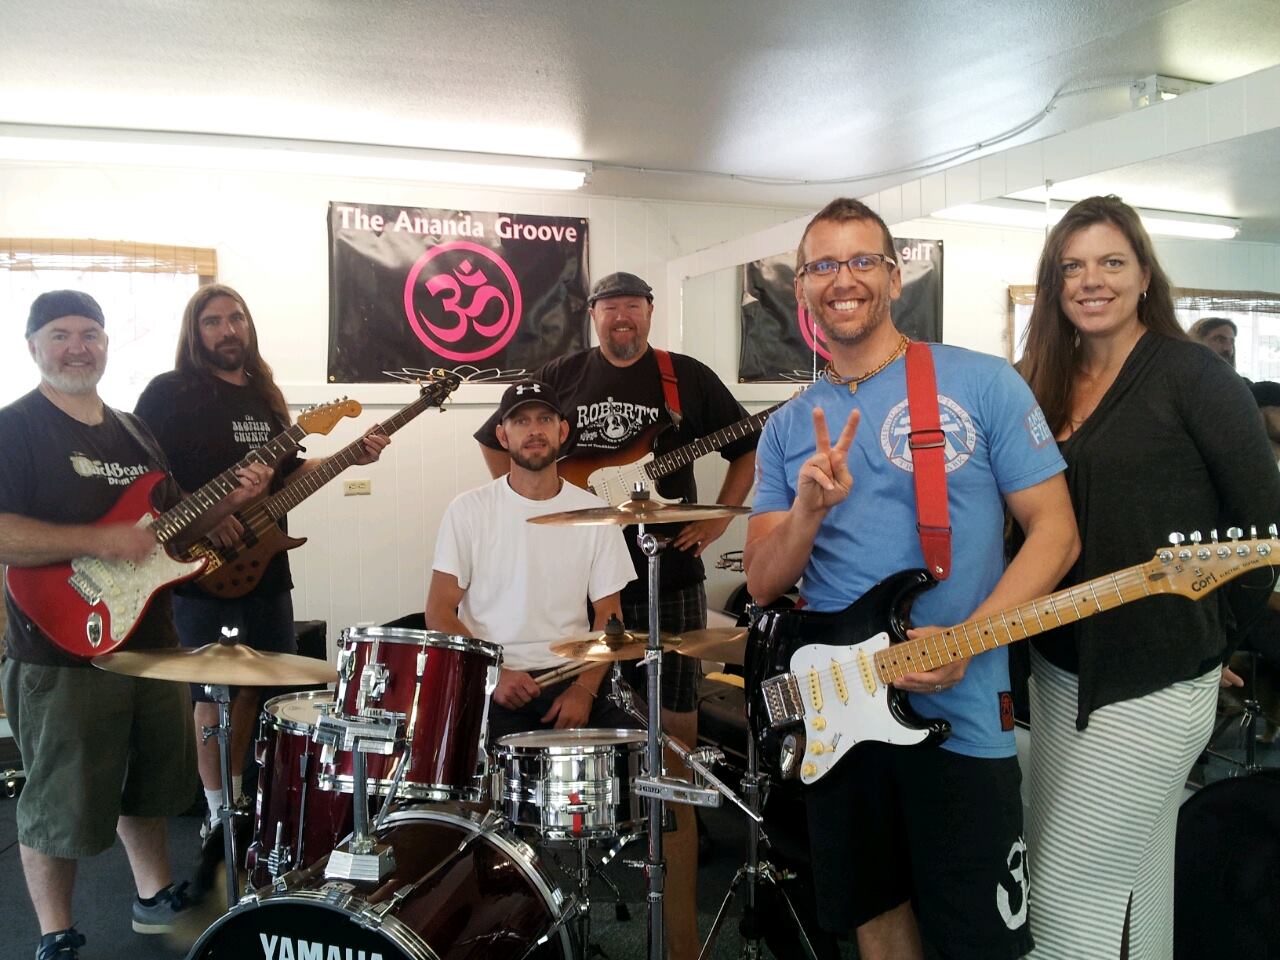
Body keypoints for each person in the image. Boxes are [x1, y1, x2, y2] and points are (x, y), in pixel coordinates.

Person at [744, 198, 1079, 960]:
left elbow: (1057, 535)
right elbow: (762, 583)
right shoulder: (790, 427)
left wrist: (969, 640)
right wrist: (806, 512)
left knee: (980, 942)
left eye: (862, 260)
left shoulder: (983, 383)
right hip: (840, 721)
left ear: (895, 278)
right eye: (823, 265)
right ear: (801, 289)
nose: (843, 279)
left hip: (964, 718)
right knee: (879, 926)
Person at [1018, 195, 1280, 959]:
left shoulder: (1193, 375)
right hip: (1057, 670)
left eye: (1111, 262)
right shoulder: (1044, 378)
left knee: (1063, 900)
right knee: (1136, 881)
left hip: (1152, 681)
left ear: (1143, 276)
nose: (1090, 281)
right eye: (1072, 266)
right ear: (1054, 283)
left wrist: (1206, 638)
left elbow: (1261, 530)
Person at [474, 271, 757, 960]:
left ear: (649, 313)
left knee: (674, 724)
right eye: (610, 308)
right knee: (580, 710)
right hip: (580, 571)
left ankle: (674, 838)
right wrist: (534, 503)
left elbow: (747, 446)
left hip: (668, 573)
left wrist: (719, 520)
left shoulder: (684, 377)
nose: (621, 318)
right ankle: (578, 846)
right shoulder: (562, 375)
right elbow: (495, 441)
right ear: (593, 315)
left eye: (633, 306)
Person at [0, 290, 273, 960]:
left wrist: (232, 500)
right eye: (60, 334)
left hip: (151, 638)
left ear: (105, 344)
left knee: (150, 783)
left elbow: (172, 523)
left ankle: (153, 896)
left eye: (90, 334)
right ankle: (56, 932)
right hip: (62, 645)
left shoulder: (133, 430)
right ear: (33, 346)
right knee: (59, 801)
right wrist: (97, 541)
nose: (78, 347)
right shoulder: (16, 427)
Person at [134, 283, 387, 840]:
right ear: (195, 332)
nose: (228, 330)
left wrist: (349, 457)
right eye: (213, 321)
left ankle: (242, 793)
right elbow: (148, 478)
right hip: (200, 567)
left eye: (237, 318)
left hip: (264, 563)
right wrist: (207, 515)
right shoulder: (169, 393)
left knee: (257, 684)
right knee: (212, 689)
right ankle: (215, 810)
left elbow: (289, 474)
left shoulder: (265, 397)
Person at [428, 380, 635, 738]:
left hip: (572, 673)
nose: (534, 430)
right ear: (502, 435)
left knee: (645, 746)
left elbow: (609, 615)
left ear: (562, 431)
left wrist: (584, 690)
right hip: (493, 676)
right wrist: (494, 673)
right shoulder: (468, 510)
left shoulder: (595, 512)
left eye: (544, 419)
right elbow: (438, 612)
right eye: (521, 421)